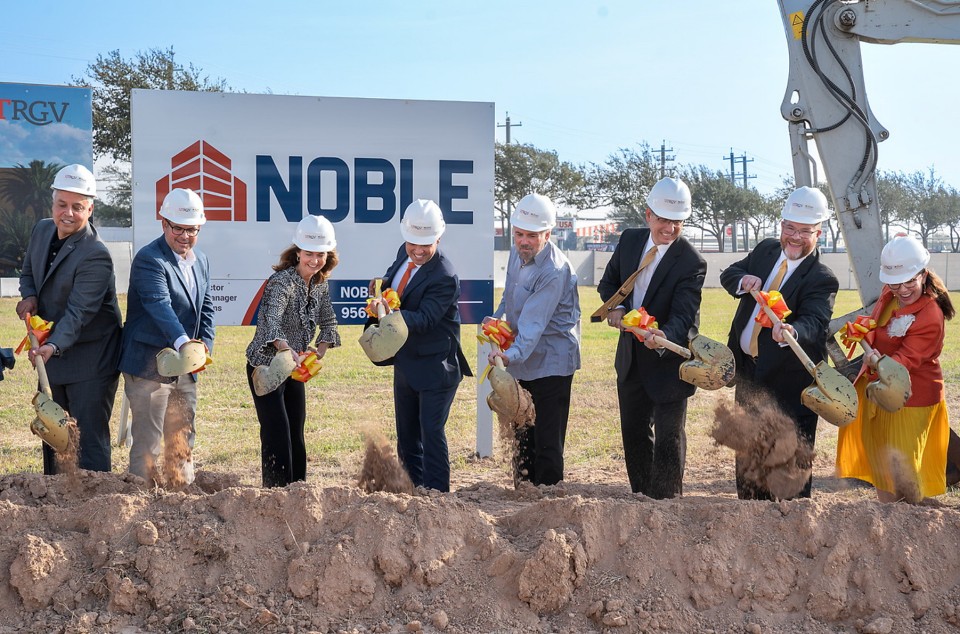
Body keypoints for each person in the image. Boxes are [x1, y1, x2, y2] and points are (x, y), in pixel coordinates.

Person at [720, 186, 839, 500]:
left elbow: (816, 321)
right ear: (781, 224)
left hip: (789, 386)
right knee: (748, 461)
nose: (795, 237)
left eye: (804, 231)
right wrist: (742, 281)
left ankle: (792, 533)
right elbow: (730, 272)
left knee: (788, 472)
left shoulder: (821, 277)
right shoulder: (765, 251)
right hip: (748, 375)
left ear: (819, 233)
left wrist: (792, 330)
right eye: (790, 228)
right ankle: (750, 520)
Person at [596, 177, 706, 499]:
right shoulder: (630, 241)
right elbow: (609, 285)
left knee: (670, 438)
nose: (669, 228)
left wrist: (663, 335)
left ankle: (668, 505)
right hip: (631, 360)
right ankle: (640, 499)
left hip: (669, 362)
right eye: (662, 220)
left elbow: (685, 316)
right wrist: (616, 309)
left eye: (677, 222)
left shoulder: (691, 261)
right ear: (648, 215)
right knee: (633, 434)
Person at [16, 164, 122, 474]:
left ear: (90, 207)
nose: (68, 213)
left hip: (91, 357)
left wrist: (51, 347)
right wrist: (30, 295)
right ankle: (57, 501)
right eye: (62, 204)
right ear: (53, 203)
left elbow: (79, 313)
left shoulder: (95, 254)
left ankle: (96, 503)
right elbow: (28, 273)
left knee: (87, 437)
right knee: (54, 430)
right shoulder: (41, 230)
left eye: (78, 206)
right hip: (54, 352)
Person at [836, 235, 954, 502]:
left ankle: (907, 524)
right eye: (894, 282)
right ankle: (888, 516)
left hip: (910, 397)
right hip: (879, 389)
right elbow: (878, 324)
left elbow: (907, 360)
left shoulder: (930, 315)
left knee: (902, 467)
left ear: (923, 275)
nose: (901, 290)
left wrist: (876, 361)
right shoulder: (890, 292)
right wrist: (862, 331)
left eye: (910, 282)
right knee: (881, 458)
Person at [366, 199, 472, 492]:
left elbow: (425, 319)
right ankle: (411, 494)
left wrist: (388, 313)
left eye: (426, 244)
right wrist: (379, 296)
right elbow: (390, 282)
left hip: (437, 367)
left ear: (439, 237)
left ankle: (438, 498)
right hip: (407, 362)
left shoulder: (444, 276)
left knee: (431, 434)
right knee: (408, 436)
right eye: (413, 242)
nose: (418, 250)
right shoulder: (404, 252)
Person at [119, 188, 216, 487]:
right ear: (163, 223)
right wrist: (185, 344)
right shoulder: (150, 259)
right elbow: (159, 305)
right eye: (178, 228)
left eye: (192, 229)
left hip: (184, 366)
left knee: (183, 434)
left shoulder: (200, 261)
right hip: (149, 365)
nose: (185, 236)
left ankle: (180, 499)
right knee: (148, 440)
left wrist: (203, 349)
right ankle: (139, 504)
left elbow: (207, 308)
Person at [487, 193, 581, 487]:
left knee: (546, 441)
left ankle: (549, 504)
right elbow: (511, 293)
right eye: (518, 234)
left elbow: (533, 325)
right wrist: (498, 316)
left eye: (531, 235)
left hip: (551, 362)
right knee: (522, 433)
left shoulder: (554, 270)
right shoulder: (518, 252)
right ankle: (523, 494)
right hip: (521, 357)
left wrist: (507, 356)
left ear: (548, 234)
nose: (523, 241)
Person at [245, 215, 341, 487]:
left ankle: (298, 491)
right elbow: (271, 323)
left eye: (320, 254)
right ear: (297, 252)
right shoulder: (281, 282)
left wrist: (321, 347)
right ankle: (275, 493)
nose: (314, 260)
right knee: (277, 432)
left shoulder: (319, 284)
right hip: (265, 367)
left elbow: (329, 319)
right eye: (309, 253)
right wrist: (288, 349)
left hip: (293, 368)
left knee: (296, 433)